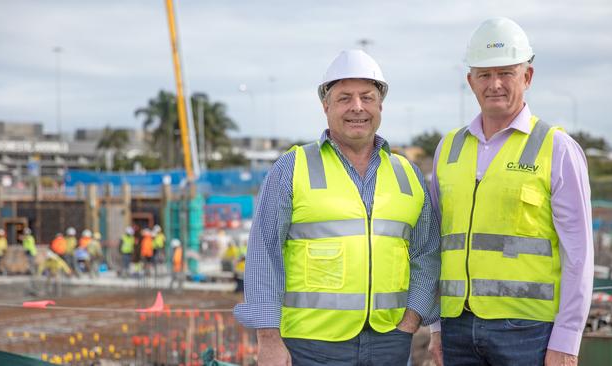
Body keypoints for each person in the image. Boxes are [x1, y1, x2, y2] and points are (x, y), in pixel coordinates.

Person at [233, 49, 440, 365]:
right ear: (325, 106)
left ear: (380, 105)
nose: (357, 107)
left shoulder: (407, 173)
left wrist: (411, 320)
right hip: (310, 346)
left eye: (367, 97)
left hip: (390, 342)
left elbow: (426, 252)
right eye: (345, 98)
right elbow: (264, 253)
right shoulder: (292, 168)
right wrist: (269, 339)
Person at [427, 17, 593, 366]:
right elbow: (437, 246)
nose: (495, 84)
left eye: (506, 73)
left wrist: (567, 341)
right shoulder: (449, 149)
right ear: (470, 81)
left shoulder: (557, 149)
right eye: (484, 75)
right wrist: (437, 329)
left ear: (527, 78)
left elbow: (579, 256)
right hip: (457, 328)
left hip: (528, 332)